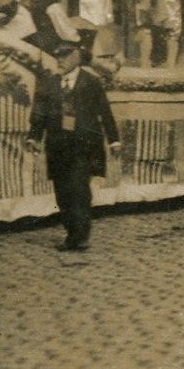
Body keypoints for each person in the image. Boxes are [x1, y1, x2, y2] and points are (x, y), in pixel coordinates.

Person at [26, 24, 121, 251]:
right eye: (57, 57)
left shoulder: (91, 82)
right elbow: (38, 113)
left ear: (76, 57)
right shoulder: (49, 84)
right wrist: (33, 137)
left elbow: (104, 112)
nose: (59, 61)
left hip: (84, 146)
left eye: (64, 56)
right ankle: (71, 230)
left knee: (79, 189)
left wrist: (114, 140)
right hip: (58, 146)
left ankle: (79, 236)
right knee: (63, 192)